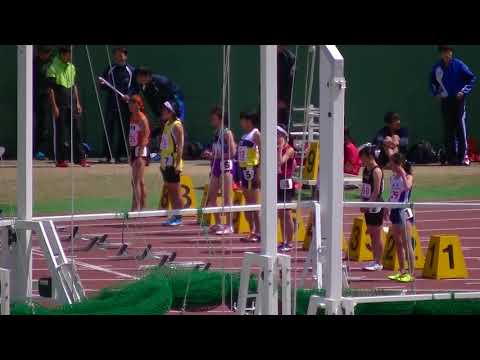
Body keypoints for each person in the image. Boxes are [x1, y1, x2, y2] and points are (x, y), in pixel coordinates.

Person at [430, 45, 476, 166]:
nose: (446, 54)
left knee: (460, 127)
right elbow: (432, 82)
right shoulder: (437, 67)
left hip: (458, 100)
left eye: (448, 51)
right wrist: (436, 93)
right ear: (440, 54)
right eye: (444, 52)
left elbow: (471, 78)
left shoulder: (459, 65)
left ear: (451, 53)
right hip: (446, 101)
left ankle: (464, 156)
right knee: (448, 129)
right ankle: (451, 157)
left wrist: (463, 91)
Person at [47, 46, 89, 168]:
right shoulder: (52, 68)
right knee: (61, 132)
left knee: (77, 131)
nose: (70, 56)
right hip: (60, 104)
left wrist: (78, 103)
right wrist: (54, 106)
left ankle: (80, 159)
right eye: (68, 54)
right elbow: (50, 89)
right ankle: (60, 160)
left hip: (72, 103)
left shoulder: (72, 67)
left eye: (70, 54)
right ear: (61, 54)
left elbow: (74, 85)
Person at [202, 106, 236, 235]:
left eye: (214, 118)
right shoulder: (215, 133)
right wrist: (209, 154)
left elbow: (232, 153)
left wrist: (215, 156)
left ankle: (229, 225)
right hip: (216, 165)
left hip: (226, 166)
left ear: (220, 119)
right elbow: (216, 151)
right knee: (212, 196)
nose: (211, 121)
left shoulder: (227, 133)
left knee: (227, 196)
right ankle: (218, 223)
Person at [99, 46, 135, 164]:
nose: (119, 56)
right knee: (108, 129)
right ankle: (106, 155)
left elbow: (134, 87)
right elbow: (103, 85)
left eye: (121, 54)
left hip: (125, 106)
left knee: (124, 130)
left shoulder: (131, 71)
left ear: (126, 56)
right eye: (117, 54)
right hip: (111, 105)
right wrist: (102, 83)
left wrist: (128, 95)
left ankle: (123, 155)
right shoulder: (110, 69)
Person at [385, 153, 415, 283]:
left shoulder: (408, 176)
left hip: (404, 211)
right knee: (397, 242)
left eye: (392, 162)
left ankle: (411, 273)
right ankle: (402, 270)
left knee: (406, 242)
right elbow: (393, 195)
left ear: (398, 164)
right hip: (394, 211)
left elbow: (407, 187)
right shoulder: (392, 178)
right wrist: (386, 206)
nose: (390, 165)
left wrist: (402, 172)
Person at [359, 145, 385, 271]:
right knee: (371, 233)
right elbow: (364, 187)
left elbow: (376, 191)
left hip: (375, 205)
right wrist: (361, 202)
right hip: (367, 203)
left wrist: (368, 205)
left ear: (370, 157)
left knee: (376, 234)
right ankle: (375, 259)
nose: (361, 160)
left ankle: (378, 262)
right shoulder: (366, 170)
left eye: (363, 157)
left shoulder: (376, 171)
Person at [159, 100, 184, 226]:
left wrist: (178, 164)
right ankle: (174, 215)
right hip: (165, 162)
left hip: (173, 162)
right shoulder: (167, 124)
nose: (162, 112)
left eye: (165, 110)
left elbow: (180, 146)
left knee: (175, 190)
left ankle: (178, 217)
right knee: (170, 189)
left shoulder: (177, 125)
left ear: (171, 112)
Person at [238, 112, 261, 243]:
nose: (241, 124)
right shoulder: (244, 135)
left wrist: (259, 172)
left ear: (249, 121)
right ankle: (252, 230)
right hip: (243, 170)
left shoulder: (256, 134)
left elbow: (262, 151)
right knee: (248, 204)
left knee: (253, 204)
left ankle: (258, 231)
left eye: (242, 121)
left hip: (251, 170)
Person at [128, 95, 150, 211]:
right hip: (134, 150)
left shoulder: (142, 119)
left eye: (132, 104)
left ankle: (135, 208)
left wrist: (140, 155)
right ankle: (143, 207)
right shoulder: (132, 117)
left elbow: (146, 137)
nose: (130, 106)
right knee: (139, 181)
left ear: (138, 105)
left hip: (141, 151)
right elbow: (131, 135)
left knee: (136, 181)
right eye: (129, 104)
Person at [277, 125, 296, 252]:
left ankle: (289, 241)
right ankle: (283, 240)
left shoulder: (289, 149)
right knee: (280, 213)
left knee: (286, 213)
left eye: (278, 135)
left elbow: (280, 162)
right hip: (277, 182)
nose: (276, 137)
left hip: (287, 183)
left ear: (283, 136)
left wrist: (279, 149)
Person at [34, 45, 53, 161]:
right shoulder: (33, 64)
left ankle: (43, 150)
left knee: (45, 125)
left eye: (47, 52)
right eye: (43, 52)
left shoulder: (52, 64)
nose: (45, 54)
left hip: (48, 98)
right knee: (37, 125)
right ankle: (37, 150)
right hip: (34, 98)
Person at [277, 46, 296, 127]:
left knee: (282, 128)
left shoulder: (289, 58)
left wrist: (284, 101)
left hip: (282, 103)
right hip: (268, 100)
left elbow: (290, 80)